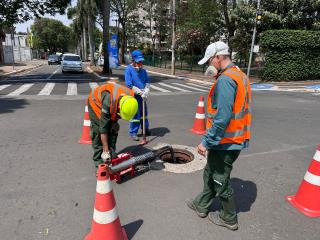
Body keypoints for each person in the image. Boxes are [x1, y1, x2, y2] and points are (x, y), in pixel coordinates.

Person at [185, 41, 252, 231]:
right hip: (234, 138)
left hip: (226, 140)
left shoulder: (225, 80)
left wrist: (206, 141)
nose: (208, 66)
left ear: (218, 57)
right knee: (210, 173)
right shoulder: (240, 75)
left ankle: (228, 217)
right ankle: (202, 204)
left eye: (209, 61)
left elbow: (222, 118)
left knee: (219, 178)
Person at [88, 82, 138, 169]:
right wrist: (105, 150)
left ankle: (111, 156)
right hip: (95, 103)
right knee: (98, 131)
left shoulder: (130, 99)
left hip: (113, 105)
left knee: (114, 128)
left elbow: (117, 114)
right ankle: (100, 163)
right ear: (119, 107)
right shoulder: (108, 101)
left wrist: (114, 123)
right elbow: (103, 129)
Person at [124, 49, 151, 141]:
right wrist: (139, 92)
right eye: (138, 61)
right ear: (134, 61)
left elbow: (147, 81)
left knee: (144, 114)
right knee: (136, 115)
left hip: (143, 96)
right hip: (134, 96)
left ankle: (145, 128)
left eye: (141, 61)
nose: (140, 63)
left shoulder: (143, 71)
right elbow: (129, 84)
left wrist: (146, 89)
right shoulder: (129, 69)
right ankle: (133, 133)